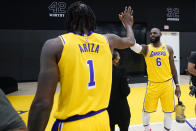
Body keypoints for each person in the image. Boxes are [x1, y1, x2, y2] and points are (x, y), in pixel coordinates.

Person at [27, 1, 135, 131]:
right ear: (92, 20)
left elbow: (42, 103)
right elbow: (130, 41)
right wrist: (128, 25)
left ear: (69, 20)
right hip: (101, 120)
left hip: (72, 124)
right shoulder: (108, 40)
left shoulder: (55, 45)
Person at [126, 27, 181, 131]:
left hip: (167, 84)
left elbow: (173, 68)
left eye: (155, 33)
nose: (152, 35)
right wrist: (129, 27)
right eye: (151, 33)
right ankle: (147, 129)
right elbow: (133, 46)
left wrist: (177, 85)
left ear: (160, 35)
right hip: (153, 85)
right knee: (146, 110)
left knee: (168, 111)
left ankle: (167, 129)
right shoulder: (146, 48)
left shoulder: (168, 48)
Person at [107, 50, 131, 131]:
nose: (120, 57)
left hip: (107, 108)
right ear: (115, 60)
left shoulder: (103, 72)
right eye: (118, 56)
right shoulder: (121, 71)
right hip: (121, 108)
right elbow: (126, 91)